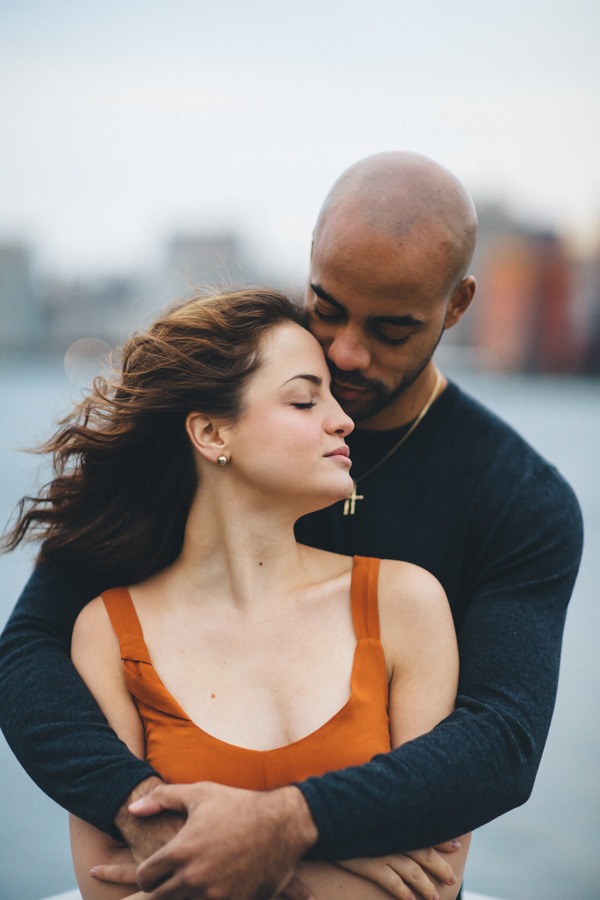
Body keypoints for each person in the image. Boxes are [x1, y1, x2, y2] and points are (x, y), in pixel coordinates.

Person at [0, 153, 583, 900]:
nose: (345, 353)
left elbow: (499, 741)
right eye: (328, 306)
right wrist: (149, 817)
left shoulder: (517, 500)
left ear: (457, 305)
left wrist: (279, 832)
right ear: (310, 263)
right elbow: (29, 652)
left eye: (392, 328)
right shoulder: (188, 442)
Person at [4, 288, 468, 900]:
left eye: (331, 395)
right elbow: (108, 888)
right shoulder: (110, 631)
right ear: (210, 431)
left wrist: (229, 865)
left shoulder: (404, 604)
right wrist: (323, 869)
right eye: (305, 399)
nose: (342, 418)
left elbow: (433, 881)